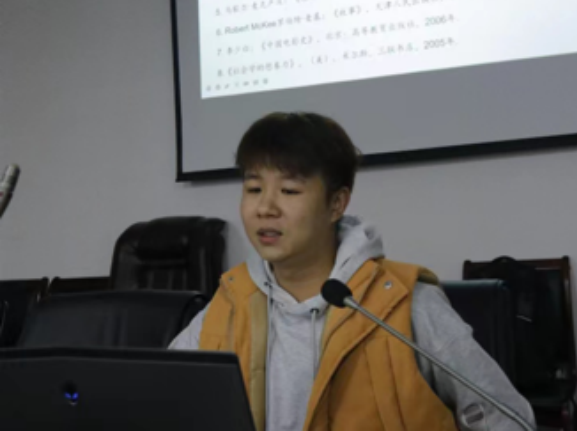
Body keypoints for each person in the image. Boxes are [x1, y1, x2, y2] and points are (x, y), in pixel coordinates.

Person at [170, 112, 535, 431]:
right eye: (253, 188)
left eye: (289, 191)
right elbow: (162, 402)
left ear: (336, 204)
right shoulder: (228, 305)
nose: (265, 207)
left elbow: (507, 419)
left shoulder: (403, 303)